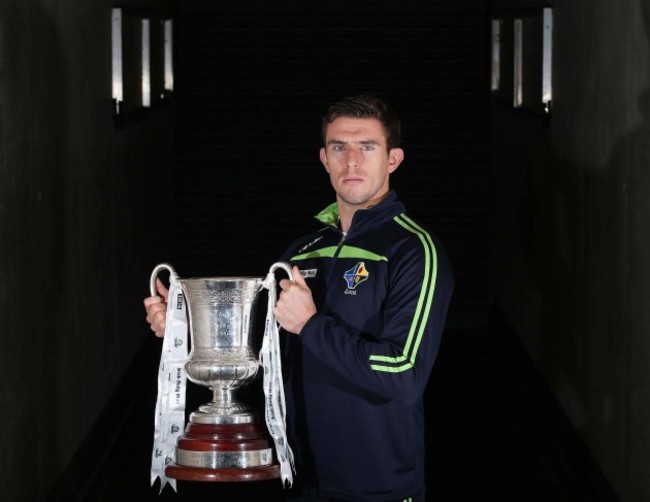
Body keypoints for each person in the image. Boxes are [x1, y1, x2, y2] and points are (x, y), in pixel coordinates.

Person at [144, 93, 454, 501]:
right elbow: (260, 352)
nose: (352, 161)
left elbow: (403, 374)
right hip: (296, 479)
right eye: (339, 147)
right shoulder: (301, 253)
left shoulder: (413, 250)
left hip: (378, 488)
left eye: (367, 147)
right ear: (324, 159)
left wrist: (311, 325)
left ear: (393, 159)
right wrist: (184, 331)